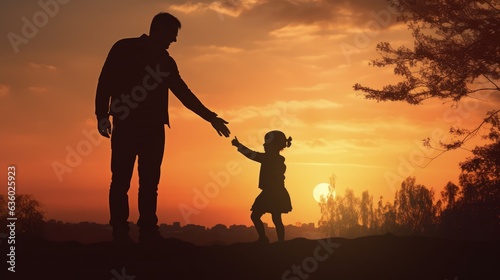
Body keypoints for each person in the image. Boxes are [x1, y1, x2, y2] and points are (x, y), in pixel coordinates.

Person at [95, 12, 230, 245]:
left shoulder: (166, 63)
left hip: (154, 129)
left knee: (149, 182)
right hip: (126, 124)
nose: (174, 40)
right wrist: (101, 115)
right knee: (121, 180)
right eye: (172, 35)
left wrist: (211, 118)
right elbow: (105, 81)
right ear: (159, 30)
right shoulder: (123, 48)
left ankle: (148, 231)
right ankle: (120, 233)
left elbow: (184, 94)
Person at [231, 131, 293, 243]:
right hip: (275, 193)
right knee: (275, 218)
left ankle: (266, 239)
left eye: (267, 143)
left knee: (258, 216)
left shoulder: (269, 158)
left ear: (274, 145)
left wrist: (238, 145)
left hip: (272, 193)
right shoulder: (276, 160)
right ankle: (278, 241)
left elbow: (251, 154)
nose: (264, 145)